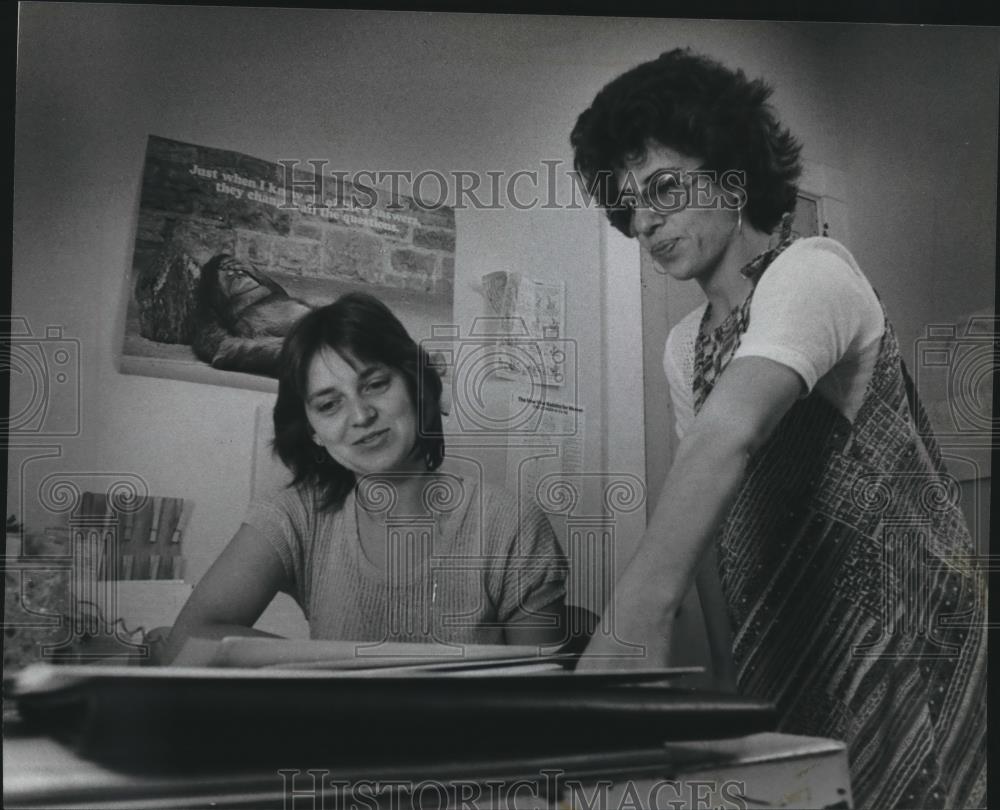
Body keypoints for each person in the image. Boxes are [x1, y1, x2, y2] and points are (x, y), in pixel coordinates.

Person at [569, 48, 986, 810]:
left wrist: (632, 620)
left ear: (733, 173)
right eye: (627, 204)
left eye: (663, 185)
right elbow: (711, 508)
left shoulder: (814, 269)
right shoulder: (682, 343)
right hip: (789, 638)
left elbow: (735, 428)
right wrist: (732, 678)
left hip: (904, 633)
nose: (646, 218)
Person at [163, 292, 568, 662]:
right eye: (328, 404)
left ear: (413, 383)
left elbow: (547, 706)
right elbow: (185, 640)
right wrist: (331, 668)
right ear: (313, 433)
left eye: (375, 384)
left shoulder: (512, 526)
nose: (360, 416)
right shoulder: (297, 515)